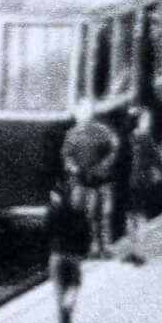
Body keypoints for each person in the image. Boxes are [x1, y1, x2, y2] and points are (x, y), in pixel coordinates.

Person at [60, 100, 117, 257]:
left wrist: (105, 164)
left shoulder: (102, 131)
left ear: (91, 114)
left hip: (103, 179)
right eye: (80, 113)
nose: (83, 116)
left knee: (105, 213)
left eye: (86, 112)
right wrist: (73, 167)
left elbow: (113, 149)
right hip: (84, 180)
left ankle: (106, 247)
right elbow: (66, 155)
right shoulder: (72, 135)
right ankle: (93, 246)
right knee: (90, 214)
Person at [122, 103, 162, 265]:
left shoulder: (129, 139)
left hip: (131, 182)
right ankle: (136, 252)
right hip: (140, 181)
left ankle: (134, 252)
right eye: (146, 120)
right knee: (137, 217)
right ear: (140, 122)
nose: (149, 123)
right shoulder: (145, 139)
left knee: (132, 217)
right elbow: (158, 160)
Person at [46, 181, 93, 323]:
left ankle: (63, 318)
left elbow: (45, 233)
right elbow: (86, 234)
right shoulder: (78, 213)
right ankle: (68, 305)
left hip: (56, 255)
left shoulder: (51, 213)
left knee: (59, 288)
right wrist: (84, 252)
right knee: (74, 284)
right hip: (73, 256)